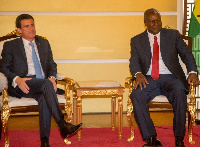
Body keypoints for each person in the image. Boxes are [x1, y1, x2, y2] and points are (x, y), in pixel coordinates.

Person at [0, 14, 82, 147]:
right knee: (46, 84)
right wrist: (17, 79)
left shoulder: (43, 43)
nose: (31, 28)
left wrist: (52, 77)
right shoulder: (11, 45)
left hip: (43, 84)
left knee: (44, 96)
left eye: (32, 25)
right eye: (27, 26)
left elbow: (51, 65)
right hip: (23, 84)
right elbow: (3, 67)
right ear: (19, 30)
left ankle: (45, 142)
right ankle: (62, 124)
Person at [129, 8, 199, 147]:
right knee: (136, 95)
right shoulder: (137, 40)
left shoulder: (173, 35)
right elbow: (134, 61)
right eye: (152, 22)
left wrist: (192, 71)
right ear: (145, 23)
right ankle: (151, 139)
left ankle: (179, 138)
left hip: (171, 78)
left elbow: (186, 54)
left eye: (158, 20)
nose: (156, 24)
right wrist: (138, 74)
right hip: (149, 78)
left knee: (179, 92)